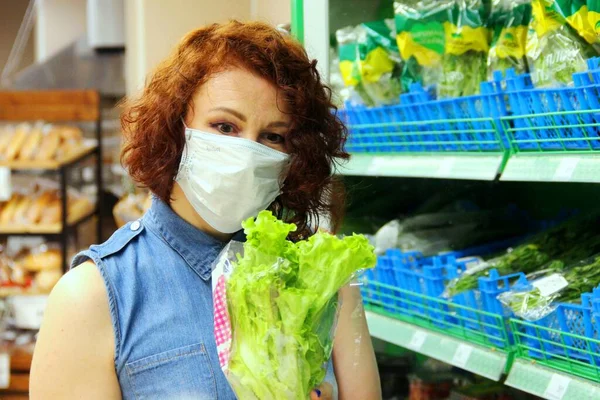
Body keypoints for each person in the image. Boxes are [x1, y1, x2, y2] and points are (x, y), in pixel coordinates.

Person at [30, 21, 381, 400]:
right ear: (173, 130)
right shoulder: (93, 297)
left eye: (273, 136)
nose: (248, 154)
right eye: (225, 126)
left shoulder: (324, 277)